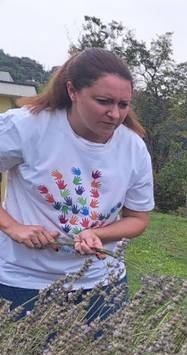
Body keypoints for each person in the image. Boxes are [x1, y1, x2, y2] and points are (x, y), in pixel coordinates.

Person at [0, 48, 153, 320]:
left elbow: (138, 218)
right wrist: (13, 227)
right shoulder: (26, 126)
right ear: (73, 91)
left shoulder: (134, 148)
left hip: (102, 286)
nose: (115, 115)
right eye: (104, 101)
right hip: (22, 282)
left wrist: (100, 235)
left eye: (123, 104)